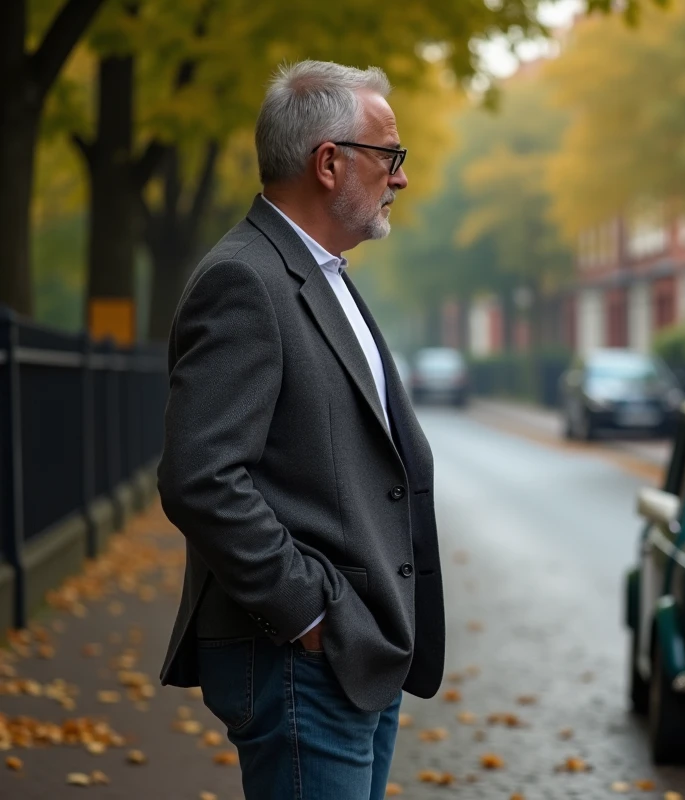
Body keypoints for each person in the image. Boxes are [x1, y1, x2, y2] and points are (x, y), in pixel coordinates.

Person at [156, 60, 444, 800]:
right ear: (329, 162)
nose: (400, 179)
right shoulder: (245, 280)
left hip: (361, 655)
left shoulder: (320, 274)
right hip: (304, 660)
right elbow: (201, 477)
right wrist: (309, 612)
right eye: (390, 156)